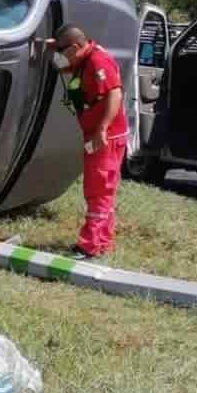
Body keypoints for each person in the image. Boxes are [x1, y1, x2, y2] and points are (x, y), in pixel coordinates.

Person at [51, 24, 128, 259]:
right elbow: (61, 67)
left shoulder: (97, 62)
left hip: (104, 137)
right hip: (97, 133)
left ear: (74, 47)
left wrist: (102, 128)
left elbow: (114, 93)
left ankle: (90, 246)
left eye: (61, 51)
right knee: (103, 190)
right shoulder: (83, 58)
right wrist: (45, 48)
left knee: (98, 189)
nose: (59, 57)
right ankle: (102, 241)